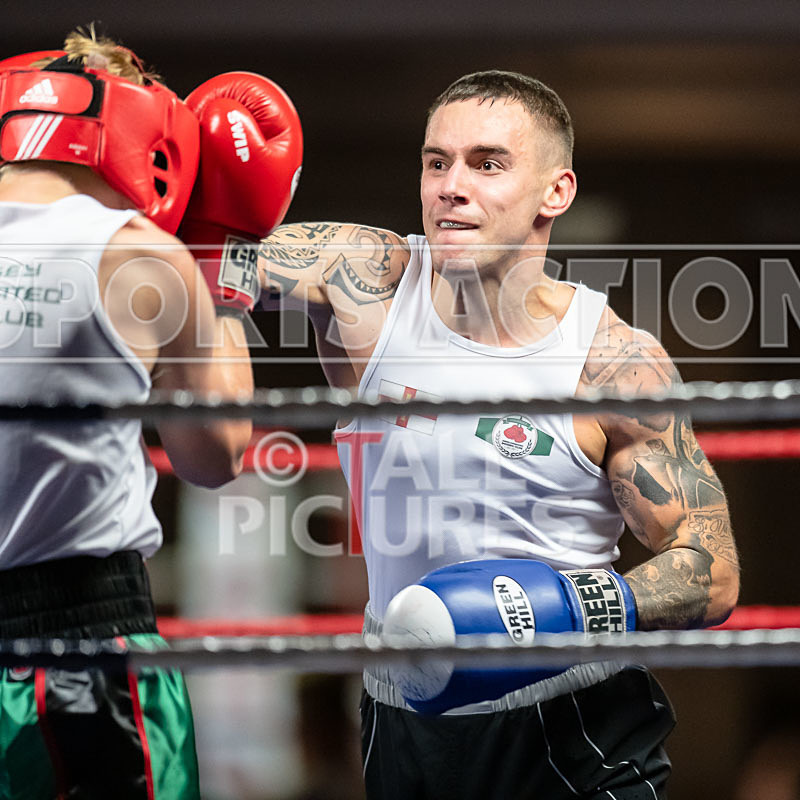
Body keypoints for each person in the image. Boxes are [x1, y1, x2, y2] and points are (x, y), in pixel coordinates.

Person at [203, 69, 739, 798]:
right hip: (402, 717)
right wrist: (196, 201)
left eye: (487, 163)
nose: (451, 186)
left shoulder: (612, 362)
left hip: (572, 726)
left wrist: (562, 611)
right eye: (436, 162)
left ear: (557, 192)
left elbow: (711, 567)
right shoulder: (370, 281)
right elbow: (198, 270)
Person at [0, 28, 301, 799]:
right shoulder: (140, 256)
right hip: (83, 648)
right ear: (147, 138)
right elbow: (214, 456)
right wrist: (218, 260)